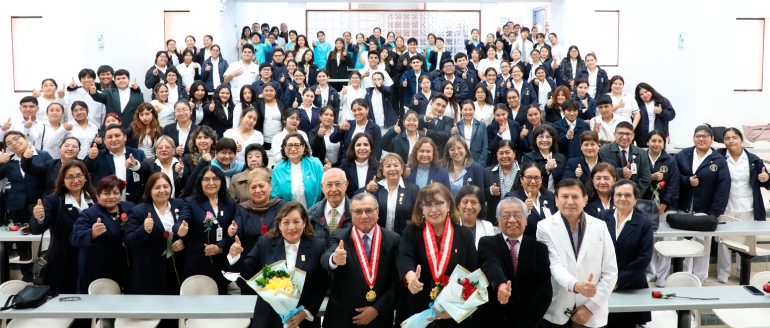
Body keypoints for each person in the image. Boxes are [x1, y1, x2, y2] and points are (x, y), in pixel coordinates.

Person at [227, 202, 329, 328]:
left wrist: (304, 313)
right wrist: (235, 257)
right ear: (279, 225)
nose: (291, 227)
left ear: (304, 223)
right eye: (286, 222)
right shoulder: (265, 243)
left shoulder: (317, 247)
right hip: (269, 319)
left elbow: (321, 284)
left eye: (296, 221)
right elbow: (247, 275)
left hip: (303, 321)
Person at [536, 178, 618, 328]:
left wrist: (591, 306)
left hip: (593, 312)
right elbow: (554, 265)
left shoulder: (600, 226)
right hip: (558, 311)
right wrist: (576, 285)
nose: (570, 201)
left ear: (585, 199)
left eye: (575, 197)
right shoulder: (544, 227)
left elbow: (610, 271)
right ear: (556, 200)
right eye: (564, 196)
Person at [396, 183, 478, 327]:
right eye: (427, 204)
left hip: (452, 312)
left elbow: (472, 273)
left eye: (439, 203)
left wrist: (455, 310)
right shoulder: (412, 231)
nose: (433, 209)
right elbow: (404, 256)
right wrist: (410, 275)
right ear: (421, 208)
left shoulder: (464, 234)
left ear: (448, 205)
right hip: (418, 309)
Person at [320, 192, 400, 328]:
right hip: (342, 318)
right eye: (358, 212)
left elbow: (397, 281)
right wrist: (334, 259)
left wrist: (377, 309)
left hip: (378, 319)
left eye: (369, 210)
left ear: (378, 212)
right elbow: (326, 257)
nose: (364, 216)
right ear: (351, 214)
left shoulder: (393, 239)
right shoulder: (340, 236)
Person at [477, 197, 552, 327]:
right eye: (506, 215)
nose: (512, 220)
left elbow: (544, 292)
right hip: (491, 321)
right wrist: (500, 285)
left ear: (526, 220)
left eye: (517, 215)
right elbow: (491, 265)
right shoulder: (487, 243)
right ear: (498, 221)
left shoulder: (539, 249)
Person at [675, 125, 731, 281]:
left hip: (705, 211)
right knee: (684, 245)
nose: (701, 139)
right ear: (693, 138)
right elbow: (674, 178)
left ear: (712, 139)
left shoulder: (719, 160)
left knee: (702, 246)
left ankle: (699, 278)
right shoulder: (682, 155)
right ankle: (684, 277)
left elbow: (723, 189)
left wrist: (714, 214)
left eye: (705, 136)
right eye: (698, 136)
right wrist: (687, 181)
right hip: (684, 209)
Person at [30, 160, 94, 294]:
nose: (75, 180)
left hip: (91, 259)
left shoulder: (94, 198)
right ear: (62, 180)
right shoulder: (53, 200)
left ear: (86, 177)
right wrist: (39, 217)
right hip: (63, 261)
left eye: (79, 175)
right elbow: (36, 229)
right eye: (70, 177)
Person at [715, 128, 770, 283]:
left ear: (741, 140)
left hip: (748, 206)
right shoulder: (718, 157)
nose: (731, 141)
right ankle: (723, 271)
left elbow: (767, 182)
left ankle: (742, 270)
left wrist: (766, 177)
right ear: (723, 141)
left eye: (735, 138)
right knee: (724, 240)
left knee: (745, 241)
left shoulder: (753, 159)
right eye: (727, 138)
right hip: (726, 206)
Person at [598, 179, 653, 327]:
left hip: (631, 285)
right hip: (603, 283)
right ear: (613, 198)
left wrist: (617, 282)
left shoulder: (644, 223)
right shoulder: (602, 218)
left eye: (628, 195)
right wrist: (606, 281)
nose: (623, 198)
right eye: (619, 195)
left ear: (635, 200)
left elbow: (644, 257)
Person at [174, 165, 236, 295]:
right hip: (197, 262)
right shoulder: (191, 202)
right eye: (206, 179)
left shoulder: (230, 203)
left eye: (215, 179)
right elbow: (181, 222)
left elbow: (233, 233)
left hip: (221, 263)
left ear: (221, 181)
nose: (211, 183)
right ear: (200, 182)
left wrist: (219, 247)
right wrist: (180, 229)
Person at [70, 175, 136, 293]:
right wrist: (92, 233)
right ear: (98, 194)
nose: (111, 197)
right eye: (106, 193)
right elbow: (75, 238)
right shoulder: (89, 214)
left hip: (126, 268)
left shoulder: (129, 207)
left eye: (115, 193)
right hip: (98, 270)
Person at [124, 172, 186, 296]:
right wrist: (144, 229)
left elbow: (191, 230)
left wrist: (184, 241)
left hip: (177, 267)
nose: (162, 190)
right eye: (157, 187)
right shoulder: (139, 211)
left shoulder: (180, 205)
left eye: (165, 186)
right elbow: (128, 241)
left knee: (174, 308)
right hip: (149, 268)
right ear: (149, 190)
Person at [231, 168, 285, 295]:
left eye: (261, 186)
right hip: (250, 269)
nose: (258, 190)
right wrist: (232, 233)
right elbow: (238, 236)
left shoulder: (282, 207)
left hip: (278, 268)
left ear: (270, 186)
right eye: (253, 187)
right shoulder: (242, 209)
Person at [83, 124, 146, 203]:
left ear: (125, 137)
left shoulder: (138, 154)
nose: (114, 139)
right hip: (105, 204)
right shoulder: (97, 155)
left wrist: (136, 165)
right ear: (104, 140)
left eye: (117, 136)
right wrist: (91, 158)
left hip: (134, 204)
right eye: (109, 137)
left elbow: (146, 174)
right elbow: (86, 170)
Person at [598, 121, 652, 196]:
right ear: (614, 135)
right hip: (610, 196)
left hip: (634, 197)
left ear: (633, 136)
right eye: (621, 133)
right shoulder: (603, 151)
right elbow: (600, 173)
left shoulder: (641, 153)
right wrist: (620, 172)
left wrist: (633, 195)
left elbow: (646, 178)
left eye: (628, 134)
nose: (624, 137)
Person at [271, 132, 324, 208]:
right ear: (284, 148)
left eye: (297, 145)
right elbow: (275, 195)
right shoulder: (278, 169)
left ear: (304, 147)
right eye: (289, 145)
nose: (293, 149)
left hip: (314, 213)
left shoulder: (315, 163)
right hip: (288, 213)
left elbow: (323, 189)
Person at [505, 163, 558, 239]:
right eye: (529, 177)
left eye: (537, 178)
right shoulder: (512, 198)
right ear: (521, 179)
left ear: (541, 179)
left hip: (549, 242)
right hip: (526, 244)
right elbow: (509, 224)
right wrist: (524, 209)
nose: (533, 181)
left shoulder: (549, 196)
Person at [483, 140, 520, 222]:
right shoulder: (487, 172)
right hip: (494, 220)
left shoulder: (523, 171)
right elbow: (480, 195)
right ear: (496, 155)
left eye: (507, 152)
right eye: (501, 153)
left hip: (517, 218)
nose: (504, 156)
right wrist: (490, 191)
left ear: (514, 153)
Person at [523, 125, 566, 192]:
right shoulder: (528, 157)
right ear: (535, 139)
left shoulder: (561, 158)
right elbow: (529, 177)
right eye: (541, 137)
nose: (545, 140)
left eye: (548, 137)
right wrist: (546, 168)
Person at [633, 83, 676, 148]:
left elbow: (671, 115)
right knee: (643, 156)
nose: (645, 95)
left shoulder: (662, 100)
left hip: (659, 136)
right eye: (641, 94)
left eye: (646, 91)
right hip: (642, 138)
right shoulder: (636, 103)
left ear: (651, 90)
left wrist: (661, 112)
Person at [336, 132, 378, 198]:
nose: (362, 148)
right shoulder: (345, 165)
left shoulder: (378, 167)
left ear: (371, 149)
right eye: (358, 145)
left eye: (366, 145)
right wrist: (365, 189)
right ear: (353, 148)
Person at [181, 126, 217, 197]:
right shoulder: (187, 158)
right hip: (194, 197)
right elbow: (189, 184)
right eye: (199, 138)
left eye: (206, 137)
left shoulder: (217, 157)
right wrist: (202, 161)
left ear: (212, 140)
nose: (202, 141)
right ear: (195, 141)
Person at [453, 100, 488, 166]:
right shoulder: (456, 125)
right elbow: (453, 144)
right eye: (465, 109)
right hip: (461, 160)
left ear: (474, 111)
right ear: (461, 111)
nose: (468, 112)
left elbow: (485, 146)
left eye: (470, 109)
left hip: (477, 160)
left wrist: (480, 163)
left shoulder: (481, 125)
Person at [255, 82, 289, 151]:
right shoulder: (258, 104)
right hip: (263, 140)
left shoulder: (282, 104)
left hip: (280, 140)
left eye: (271, 91)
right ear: (262, 92)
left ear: (275, 92)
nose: (268, 93)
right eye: (266, 91)